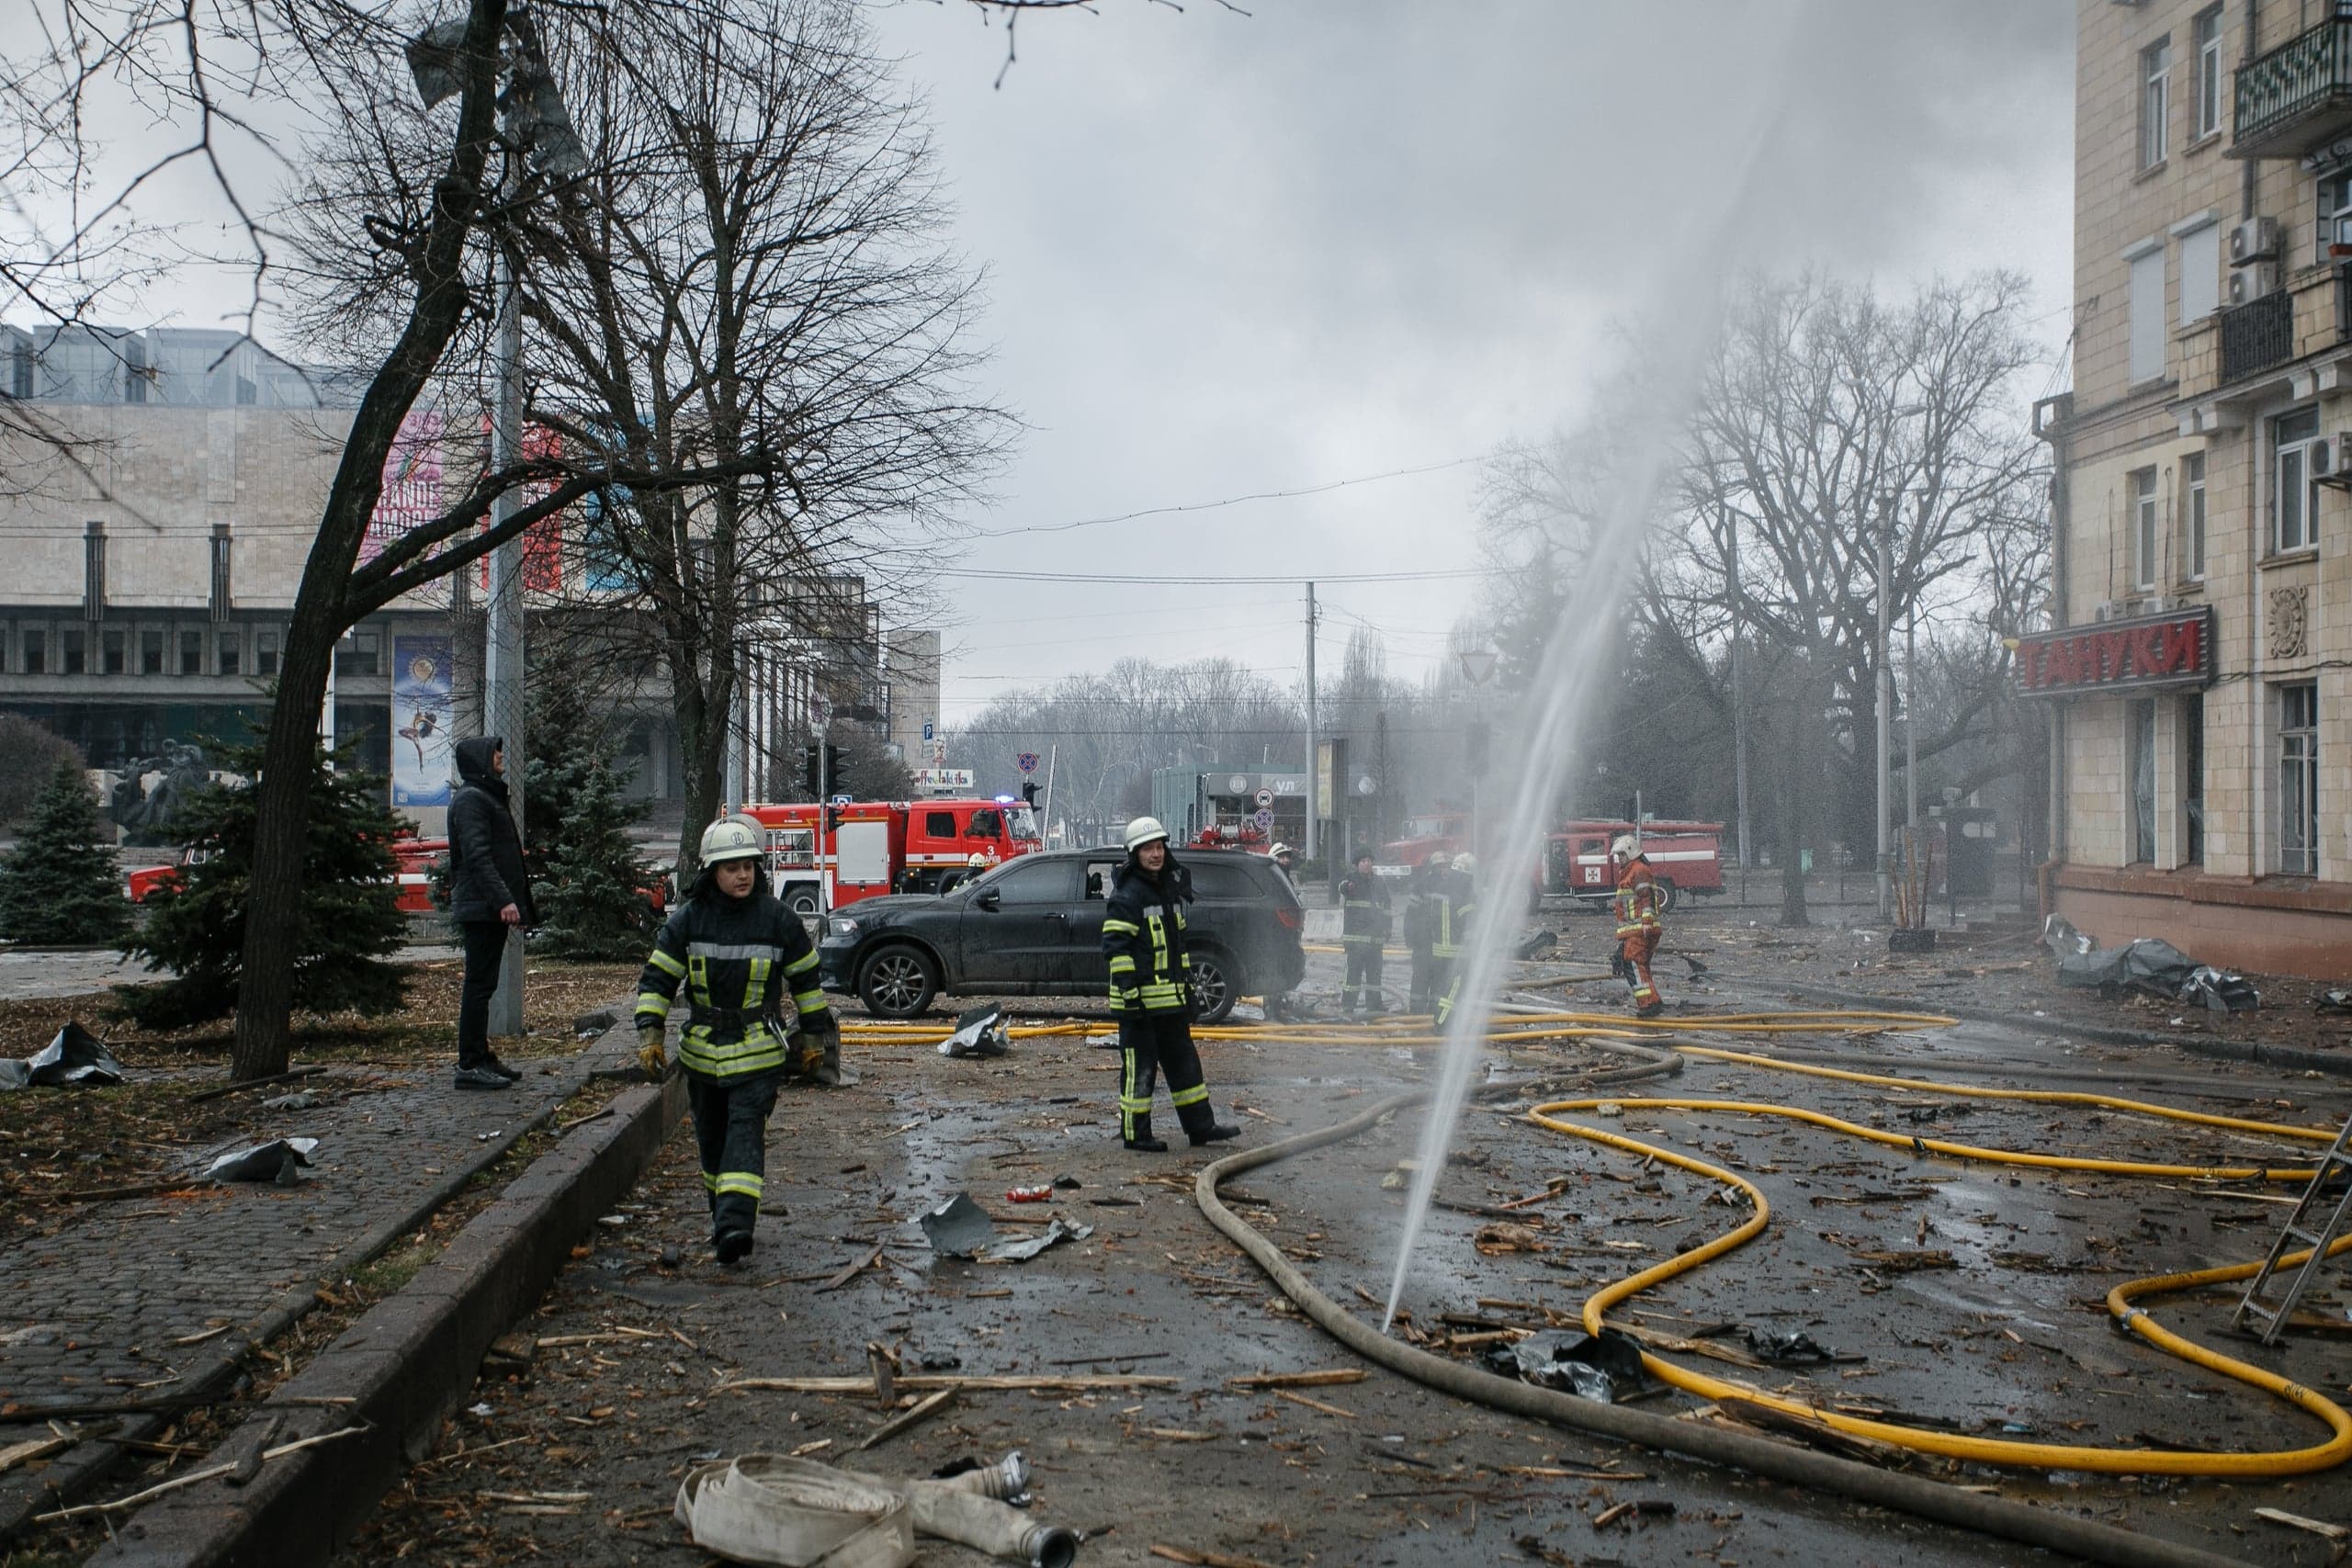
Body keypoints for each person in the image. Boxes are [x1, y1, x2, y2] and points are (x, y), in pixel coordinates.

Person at [634, 817, 838, 1263]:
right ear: (711, 872)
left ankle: (735, 1225)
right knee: (711, 1140)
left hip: (759, 1052)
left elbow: (806, 982)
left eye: (748, 865)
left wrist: (815, 1039)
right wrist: (650, 1031)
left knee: (745, 1133)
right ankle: (720, 1214)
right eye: (731, 867)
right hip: (703, 1055)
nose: (742, 874)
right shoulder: (687, 921)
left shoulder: (779, 920)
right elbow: (658, 979)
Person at [1102, 816, 1239, 1153]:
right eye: (1148, 848)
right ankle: (1135, 1134)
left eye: (1159, 846)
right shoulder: (1127, 895)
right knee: (1140, 1070)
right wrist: (1130, 996)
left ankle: (1201, 1128)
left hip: (1171, 1003)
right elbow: (1116, 951)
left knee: (1186, 1067)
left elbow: (1177, 950)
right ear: (1135, 853)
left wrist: (1190, 992)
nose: (1156, 854)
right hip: (1139, 1006)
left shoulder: (1167, 891)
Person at [447, 735, 534, 1090]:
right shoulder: (471, 800)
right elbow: (477, 858)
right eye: (495, 752)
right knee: (478, 986)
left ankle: (481, 1057)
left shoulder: (483, 797)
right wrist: (503, 900)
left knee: (484, 984)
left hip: (485, 907)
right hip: (482, 908)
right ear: (480, 759)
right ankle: (469, 1063)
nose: (501, 756)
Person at [1611, 834, 1666, 1018]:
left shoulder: (1638, 871)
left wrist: (1646, 922)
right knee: (1640, 966)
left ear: (1631, 852)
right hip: (1635, 930)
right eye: (1618, 856)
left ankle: (1648, 1004)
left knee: (1632, 964)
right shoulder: (1631, 873)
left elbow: (1647, 898)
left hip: (1640, 930)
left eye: (1621, 855)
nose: (1619, 859)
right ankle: (1654, 1001)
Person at [1337, 849, 1391, 1016]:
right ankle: (1348, 1006)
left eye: (1369, 861)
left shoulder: (1379, 883)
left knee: (1375, 975)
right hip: (1356, 941)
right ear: (1357, 865)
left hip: (1375, 940)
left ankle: (1374, 1004)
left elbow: (1387, 907)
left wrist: (1387, 928)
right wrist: (1348, 887)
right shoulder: (1351, 879)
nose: (1367, 864)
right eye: (1363, 861)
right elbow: (1341, 887)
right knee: (1353, 976)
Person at [1433, 852, 1479, 1028]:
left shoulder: (1443, 885)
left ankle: (1444, 1020)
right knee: (1454, 989)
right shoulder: (1465, 890)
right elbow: (1468, 925)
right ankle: (1442, 1024)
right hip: (1457, 951)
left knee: (1442, 988)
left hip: (1438, 949)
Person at [1404, 852, 1445, 1013]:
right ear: (1432, 868)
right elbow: (1410, 914)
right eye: (1440, 866)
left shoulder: (1448, 886)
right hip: (1422, 942)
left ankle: (1434, 1011)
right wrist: (1409, 936)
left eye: (1446, 866)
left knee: (1438, 979)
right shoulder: (1421, 886)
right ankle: (1416, 1011)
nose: (1444, 870)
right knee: (1420, 978)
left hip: (1440, 944)